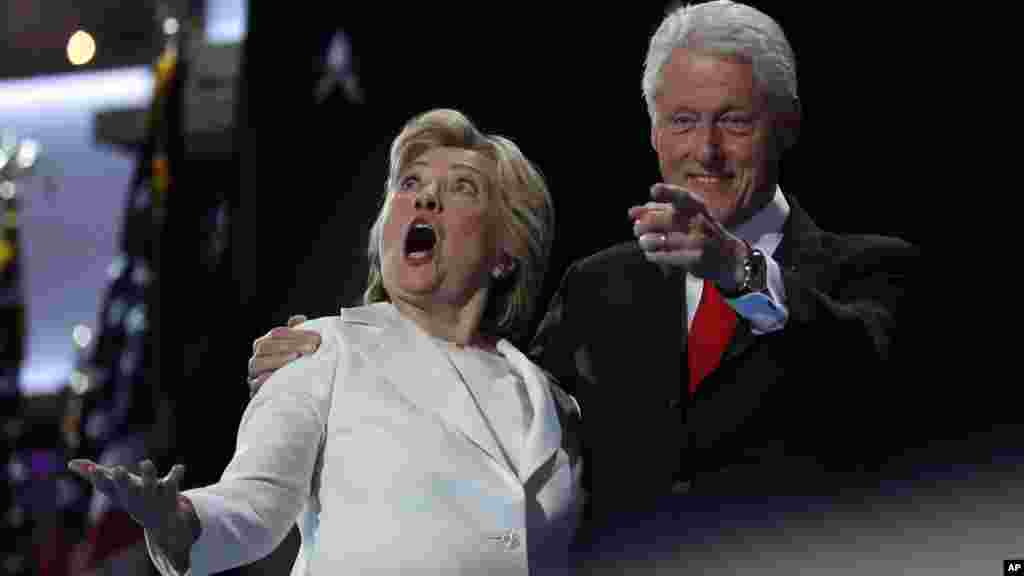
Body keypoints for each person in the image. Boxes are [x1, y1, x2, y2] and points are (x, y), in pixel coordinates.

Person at [248, 0, 921, 568]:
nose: (705, 150)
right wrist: (337, 368)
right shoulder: (599, 287)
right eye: (683, 121)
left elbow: (860, 373)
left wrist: (740, 274)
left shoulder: (874, 271)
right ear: (654, 128)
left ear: (788, 124)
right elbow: (484, 412)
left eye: (734, 121)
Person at [69, 108, 585, 575]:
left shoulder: (552, 401)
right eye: (410, 183)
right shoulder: (321, 349)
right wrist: (177, 519)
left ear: (505, 252)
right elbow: (254, 501)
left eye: (464, 188)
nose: (426, 196)